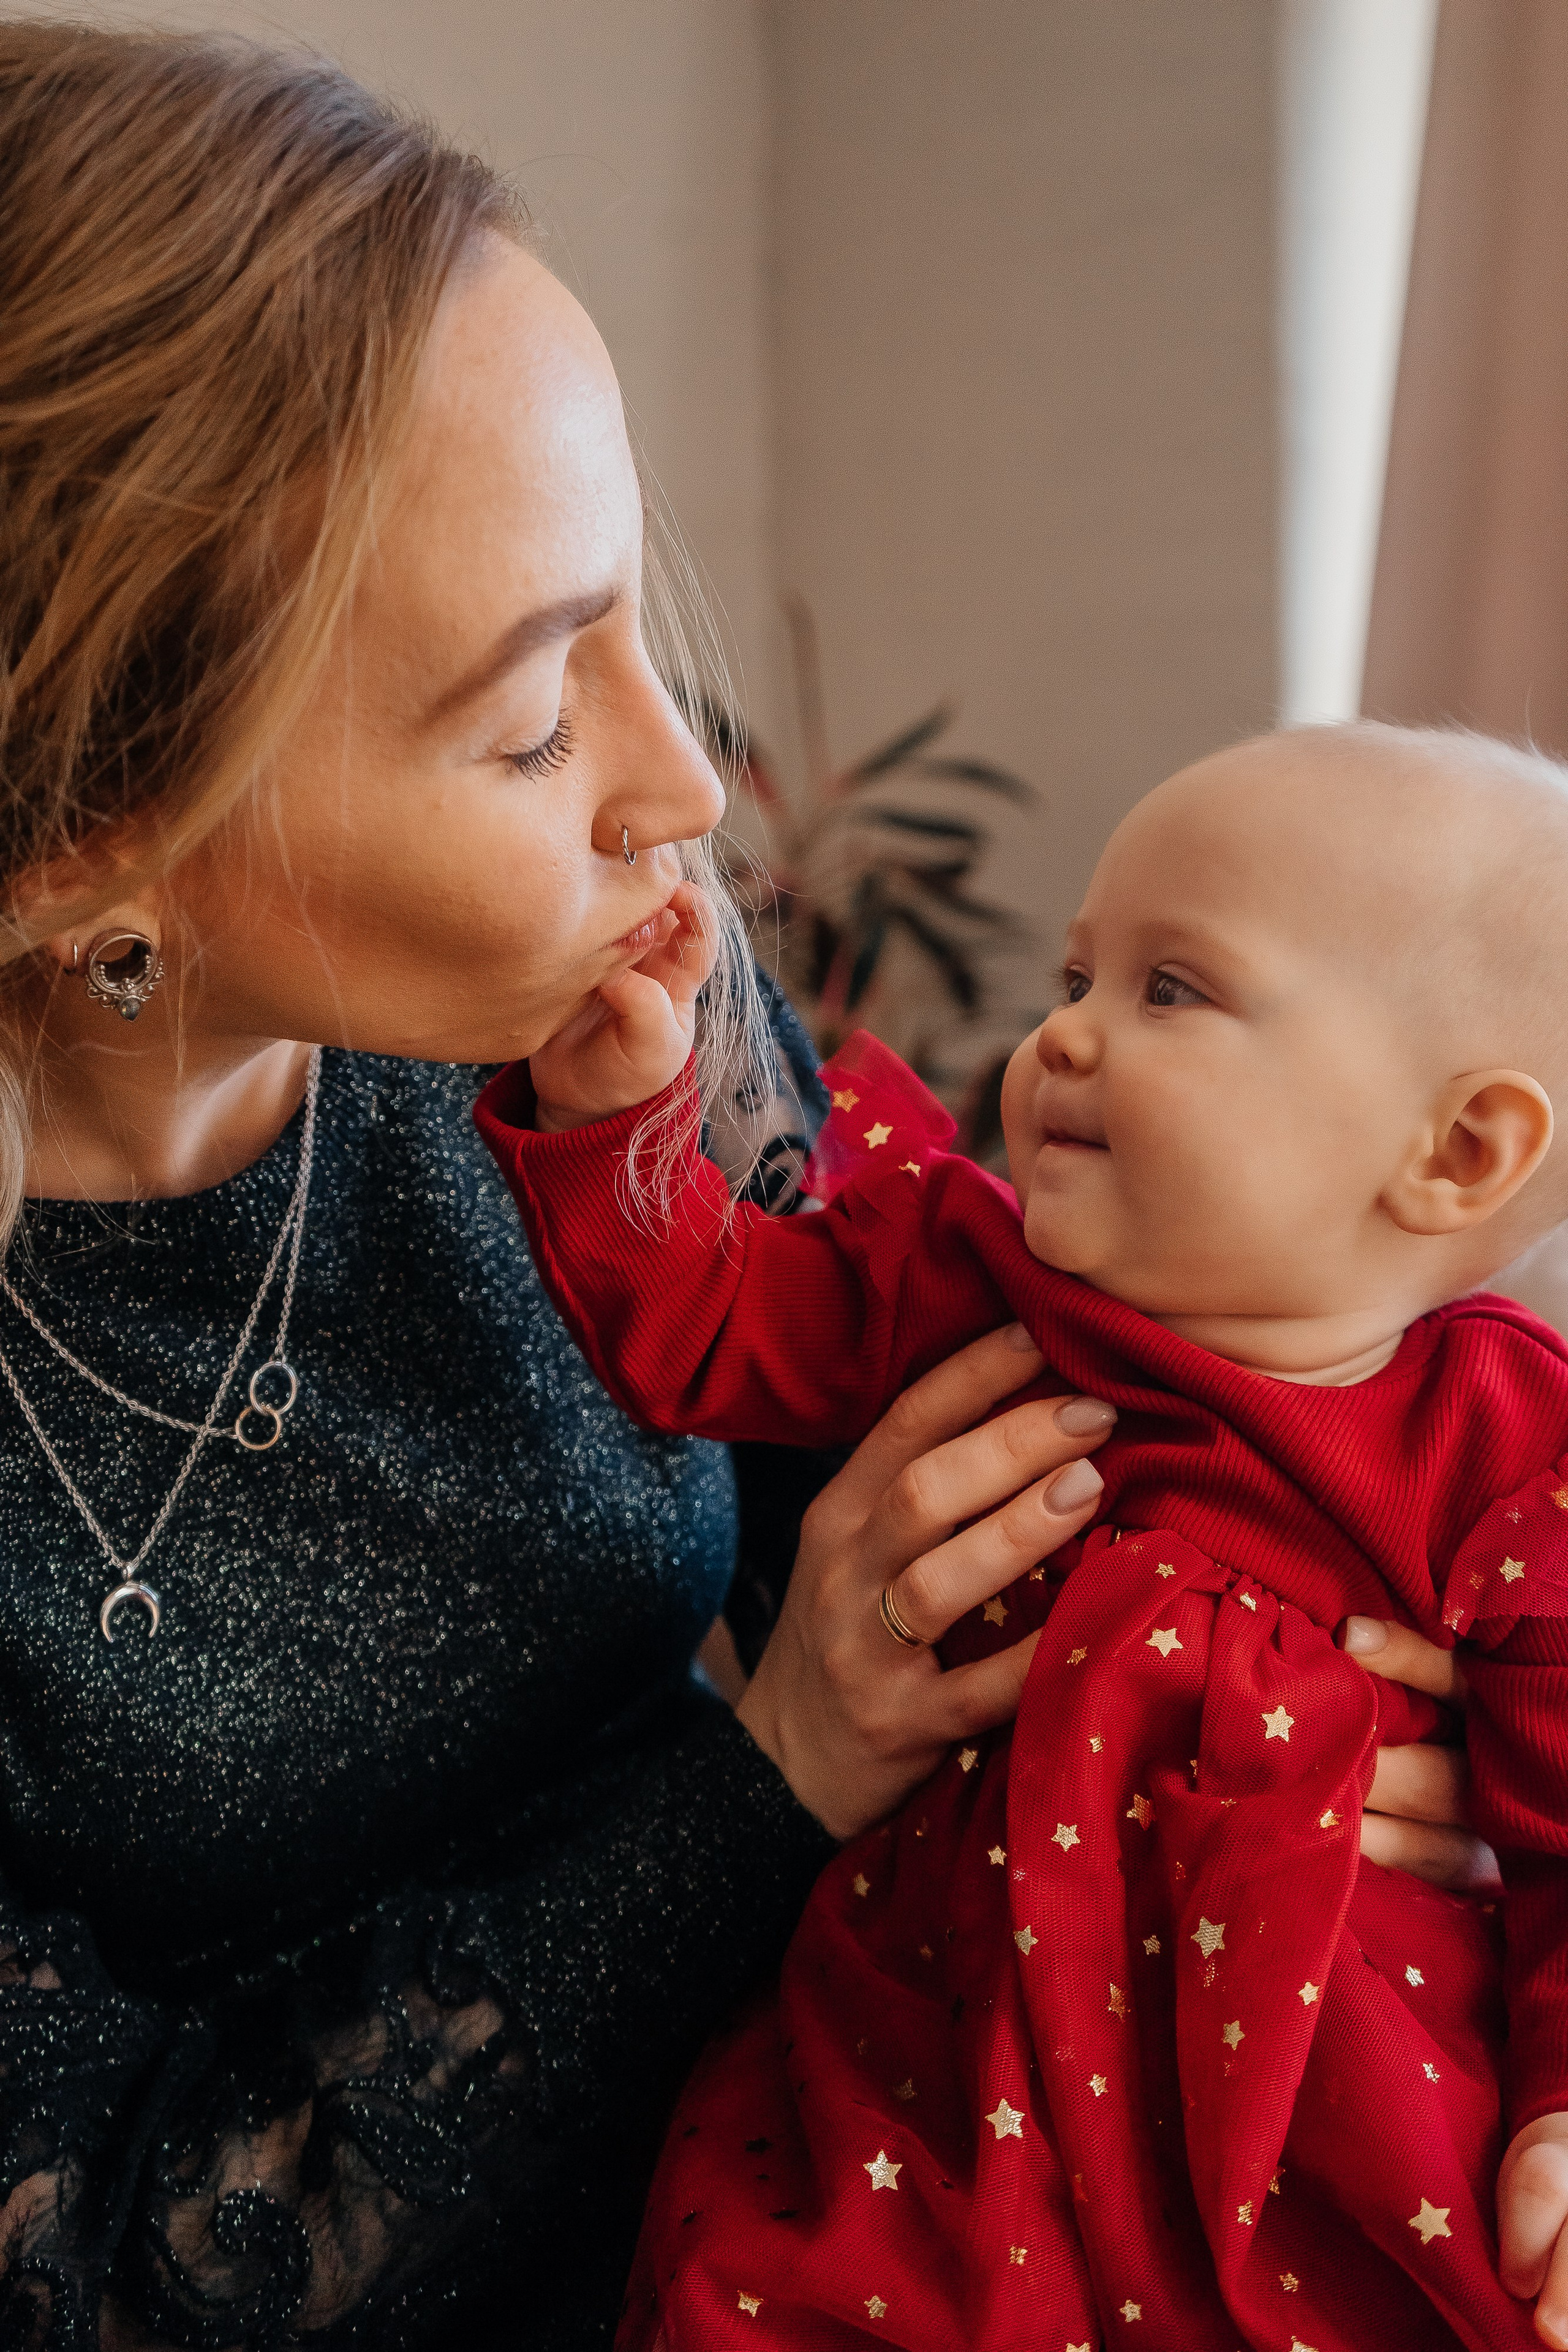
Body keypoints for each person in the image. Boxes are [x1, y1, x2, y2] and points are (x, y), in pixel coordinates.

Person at [0, 24, 1481, 2349]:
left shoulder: (595, 1014)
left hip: (885, 2168)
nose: (684, 792)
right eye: (527, 722)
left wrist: (1355, 1714)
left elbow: (1021, 1438)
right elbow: (97, 2285)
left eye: (628, 613)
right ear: (96, 854)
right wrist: (773, 1769)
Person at [481, 719, 1568, 2350]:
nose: (1063, 1034)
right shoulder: (961, 1275)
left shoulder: (1507, 1457)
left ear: (1458, 1151)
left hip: (1307, 2121)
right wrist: (622, 1121)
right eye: (1078, 976)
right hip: (926, 2076)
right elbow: (703, 1327)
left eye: (1171, 989)